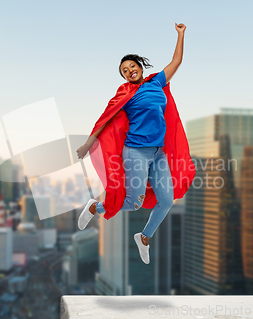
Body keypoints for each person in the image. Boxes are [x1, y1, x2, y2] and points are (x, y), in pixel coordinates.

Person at [76, 23, 191, 264]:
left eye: (132, 67)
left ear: (140, 67)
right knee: (132, 202)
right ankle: (95, 207)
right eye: (124, 70)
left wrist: (180, 34)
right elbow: (106, 118)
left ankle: (144, 237)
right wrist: (88, 144)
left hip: (158, 153)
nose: (129, 71)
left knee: (167, 201)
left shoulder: (156, 83)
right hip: (135, 151)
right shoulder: (125, 93)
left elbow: (177, 61)